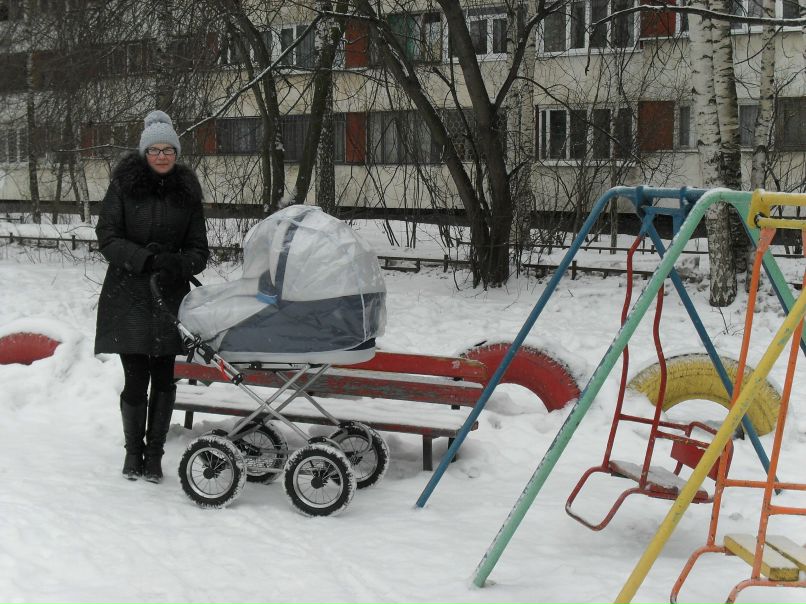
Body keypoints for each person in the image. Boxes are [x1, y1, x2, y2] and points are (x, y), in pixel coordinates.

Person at [95, 110, 209, 483]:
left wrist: (174, 263)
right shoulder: (123, 187)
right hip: (128, 294)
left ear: (176, 152)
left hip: (170, 299)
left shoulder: (187, 192)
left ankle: (155, 454)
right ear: (144, 153)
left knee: (164, 379)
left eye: (169, 149)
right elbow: (108, 238)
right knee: (135, 379)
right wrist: (144, 259)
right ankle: (133, 453)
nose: (162, 156)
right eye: (155, 150)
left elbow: (199, 251)